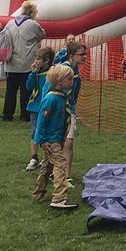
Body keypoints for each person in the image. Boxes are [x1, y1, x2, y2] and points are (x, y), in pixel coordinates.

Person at [31, 63, 76, 209]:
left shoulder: (61, 98)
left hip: (56, 138)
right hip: (50, 140)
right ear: (59, 81)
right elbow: (41, 121)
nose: (72, 81)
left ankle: (38, 193)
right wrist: (42, 141)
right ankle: (59, 198)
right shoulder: (51, 99)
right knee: (60, 165)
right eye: (69, 79)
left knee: (47, 167)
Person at [0, 1, 45, 122]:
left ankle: (7, 114)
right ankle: (25, 115)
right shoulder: (33, 24)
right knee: (26, 90)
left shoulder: (10, 23)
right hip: (27, 62)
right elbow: (42, 35)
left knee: (11, 90)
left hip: (11, 62)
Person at [57, 39, 88, 188]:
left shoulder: (77, 75)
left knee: (68, 143)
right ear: (71, 56)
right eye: (82, 54)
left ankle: (66, 175)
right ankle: (54, 171)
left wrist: (72, 112)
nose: (85, 57)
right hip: (58, 111)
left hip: (70, 111)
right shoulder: (62, 70)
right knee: (56, 143)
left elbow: (74, 96)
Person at [24, 46, 56, 171]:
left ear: (46, 60)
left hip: (47, 107)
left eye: (38, 59)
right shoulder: (36, 72)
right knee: (34, 131)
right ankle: (34, 157)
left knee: (47, 132)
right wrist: (32, 74)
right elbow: (28, 87)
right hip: (35, 107)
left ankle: (48, 158)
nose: (36, 61)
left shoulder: (52, 73)